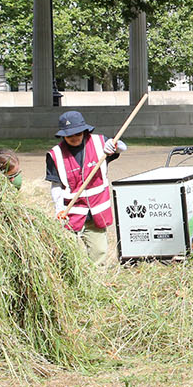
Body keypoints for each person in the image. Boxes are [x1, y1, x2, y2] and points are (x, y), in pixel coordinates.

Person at [45, 110, 127, 269]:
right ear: (63, 135)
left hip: (97, 212)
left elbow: (121, 147)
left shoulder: (100, 143)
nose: (74, 138)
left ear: (84, 131)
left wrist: (116, 146)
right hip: (72, 214)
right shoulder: (55, 155)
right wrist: (59, 209)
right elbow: (55, 186)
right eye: (69, 135)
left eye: (77, 133)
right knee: (68, 255)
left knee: (99, 252)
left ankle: (97, 283)